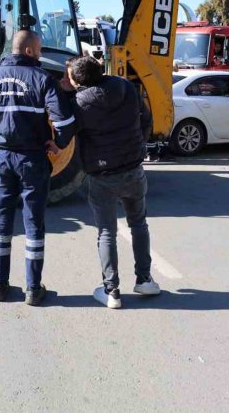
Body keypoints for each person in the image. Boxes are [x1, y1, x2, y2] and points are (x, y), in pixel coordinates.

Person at [0, 30, 75, 306]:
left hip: (1, 160)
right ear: (29, 51)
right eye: (39, 50)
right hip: (32, 161)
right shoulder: (42, 80)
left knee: (2, 222)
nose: (41, 55)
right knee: (33, 223)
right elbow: (64, 121)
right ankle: (33, 289)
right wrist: (58, 144)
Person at [66, 56, 160, 309]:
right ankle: (145, 279)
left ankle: (112, 291)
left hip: (102, 175)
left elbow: (67, 134)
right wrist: (140, 144)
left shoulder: (79, 103)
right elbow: (146, 118)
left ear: (78, 80)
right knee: (138, 223)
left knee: (107, 232)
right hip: (133, 168)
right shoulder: (126, 87)